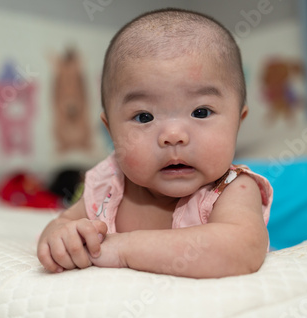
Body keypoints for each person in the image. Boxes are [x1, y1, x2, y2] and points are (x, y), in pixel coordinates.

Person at [37, 8, 273, 278]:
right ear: (111, 130)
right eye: (144, 116)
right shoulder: (108, 184)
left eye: (201, 112)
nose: (173, 135)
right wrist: (62, 237)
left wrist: (124, 249)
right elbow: (62, 223)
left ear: (238, 121)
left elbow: (241, 250)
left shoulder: (233, 189)